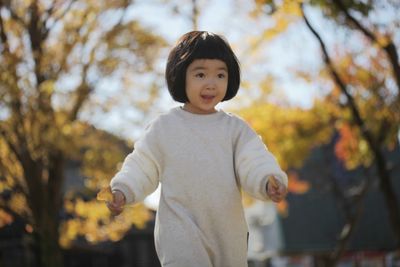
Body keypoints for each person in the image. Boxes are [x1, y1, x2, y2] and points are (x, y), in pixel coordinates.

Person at [106, 31, 288, 267]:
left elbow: (254, 160)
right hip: (180, 230)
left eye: (220, 75)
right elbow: (142, 165)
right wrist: (123, 189)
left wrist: (267, 179)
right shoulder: (164, 128)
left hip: (227, 232)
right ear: (182, 76)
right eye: (200, 74)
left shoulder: (235, 130)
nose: (211, 84)